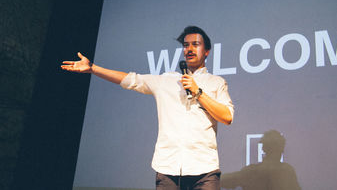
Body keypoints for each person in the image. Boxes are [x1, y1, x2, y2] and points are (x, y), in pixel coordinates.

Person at [61, 26, 234, 190]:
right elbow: (131, 80)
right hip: (168, 168)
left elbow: (227, 117)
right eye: (186, 45)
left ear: (207, 51)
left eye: (195, 44)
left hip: (205, 169)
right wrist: (93, 68)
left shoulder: (216, 83)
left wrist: (198, 92)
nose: (189, 49)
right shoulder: (166, 80)